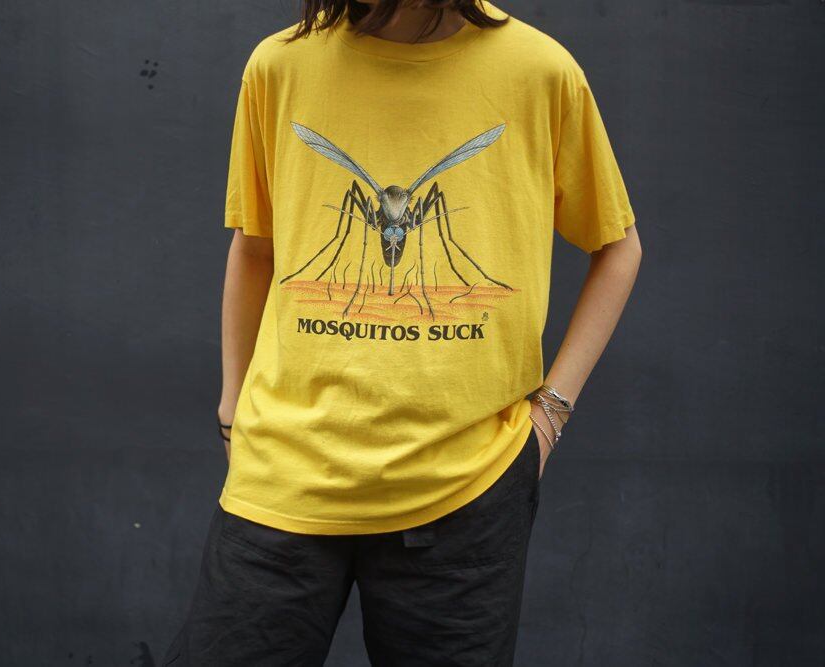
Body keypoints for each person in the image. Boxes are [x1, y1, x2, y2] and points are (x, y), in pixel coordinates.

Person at [162, 0, 641, 664]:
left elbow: (618, 247)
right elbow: (254, 247)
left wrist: (549, 416)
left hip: (465, 489)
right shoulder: (280, 66)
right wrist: (231, 410)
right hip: (285, 477)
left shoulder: (539, 71)